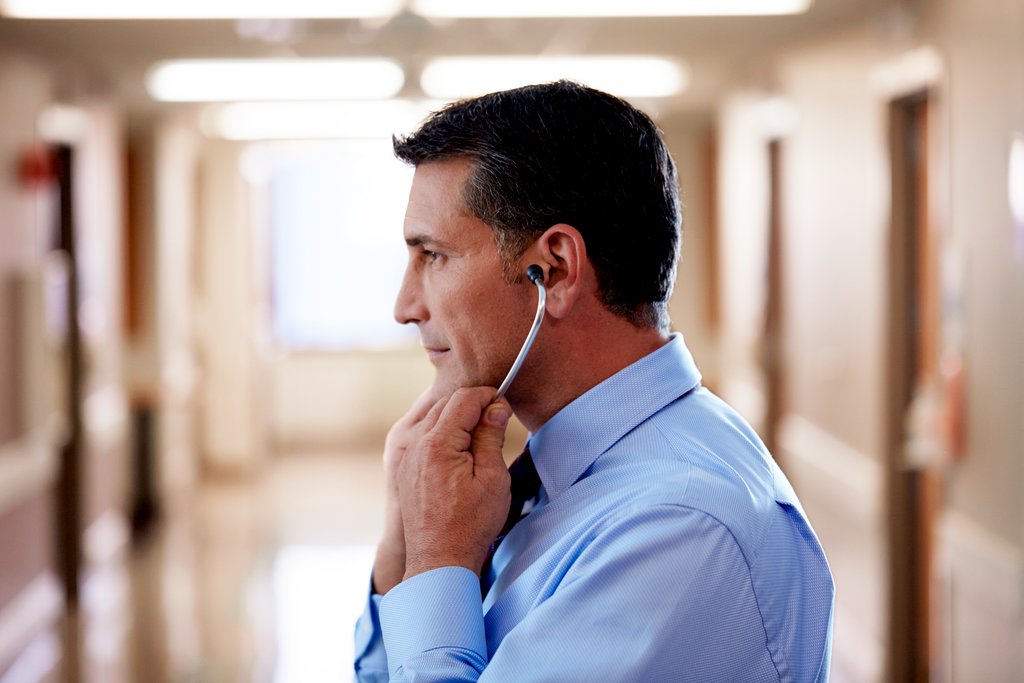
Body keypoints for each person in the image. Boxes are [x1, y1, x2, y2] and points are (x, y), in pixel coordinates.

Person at [353, 80, 834, 682]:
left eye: (433, 256)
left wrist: (438, 563)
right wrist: (405, 545)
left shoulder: (679, 526)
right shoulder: (551, 484)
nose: (405, 307)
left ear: (552, 270)